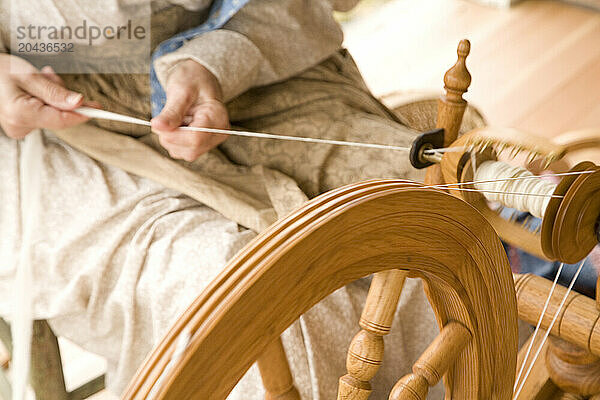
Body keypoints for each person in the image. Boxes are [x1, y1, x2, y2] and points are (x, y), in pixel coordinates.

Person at [0, 1, 489, 398]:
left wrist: (211, 61)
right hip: (46, 143)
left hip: (253, 68)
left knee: (422, 209)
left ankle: (486, 350)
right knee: (234, 284)